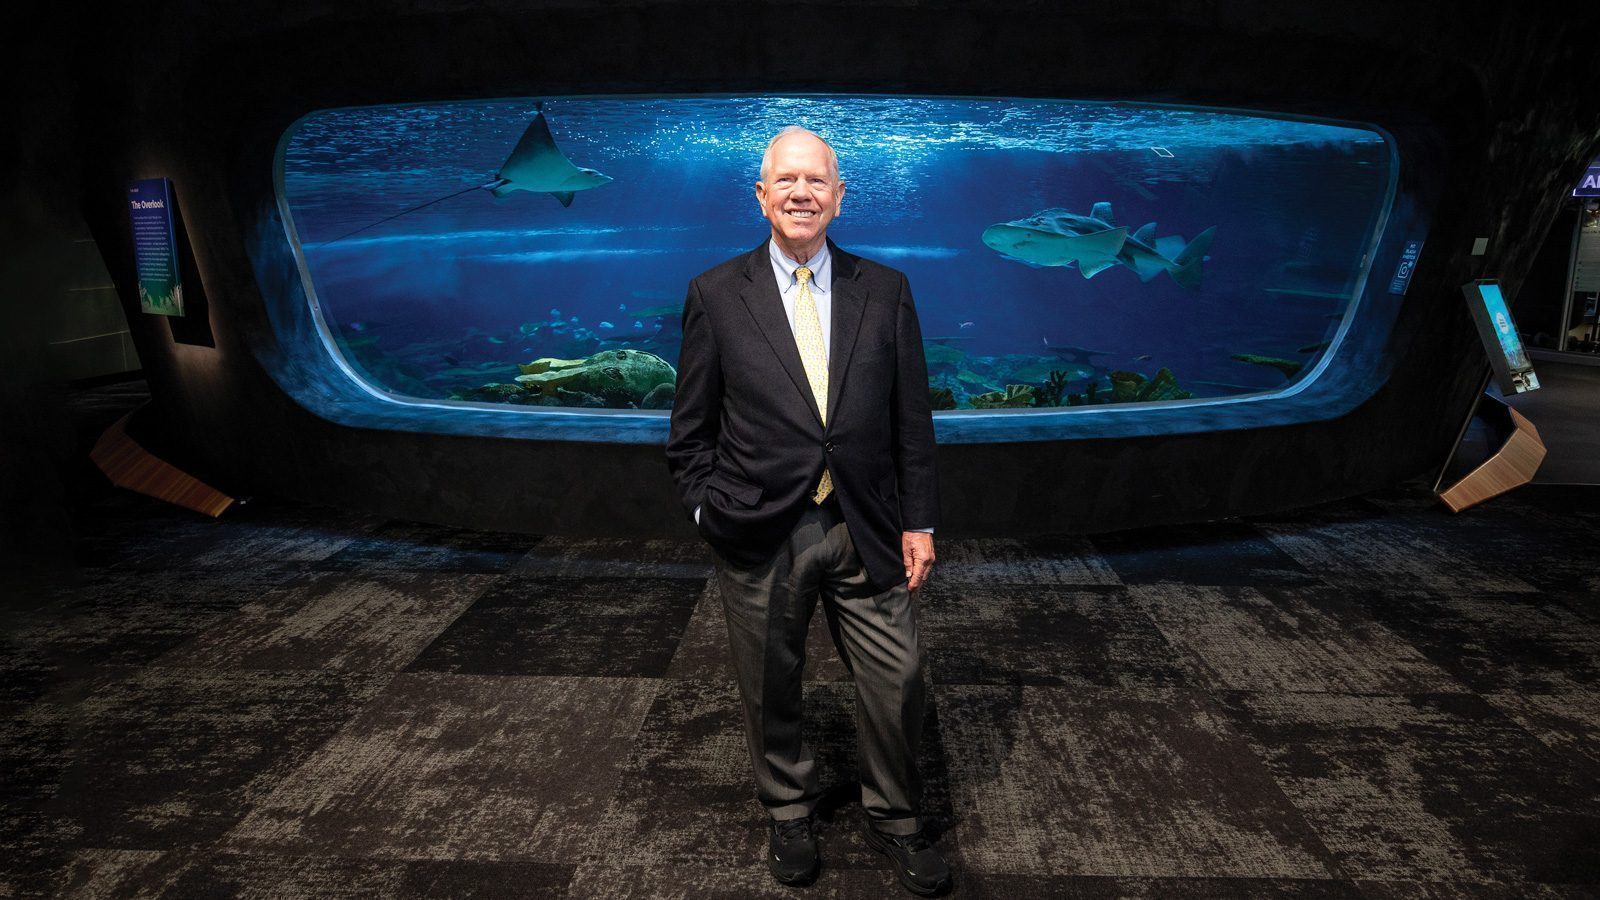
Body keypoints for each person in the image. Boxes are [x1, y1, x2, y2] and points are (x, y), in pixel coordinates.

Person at [665, 126, 949, 896]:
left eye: (816, 181)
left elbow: (910, 422)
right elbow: (688, 432)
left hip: (867, 523)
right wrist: (706, 512)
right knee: (770, 681)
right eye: (785, 181)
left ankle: (895, 817)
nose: (801, 193)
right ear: (761, 196)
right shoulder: (715, 293)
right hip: (761, 528)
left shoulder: (885, 290)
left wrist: (917, 520)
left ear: (839, 196)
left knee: (899, 676)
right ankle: (788, 811)